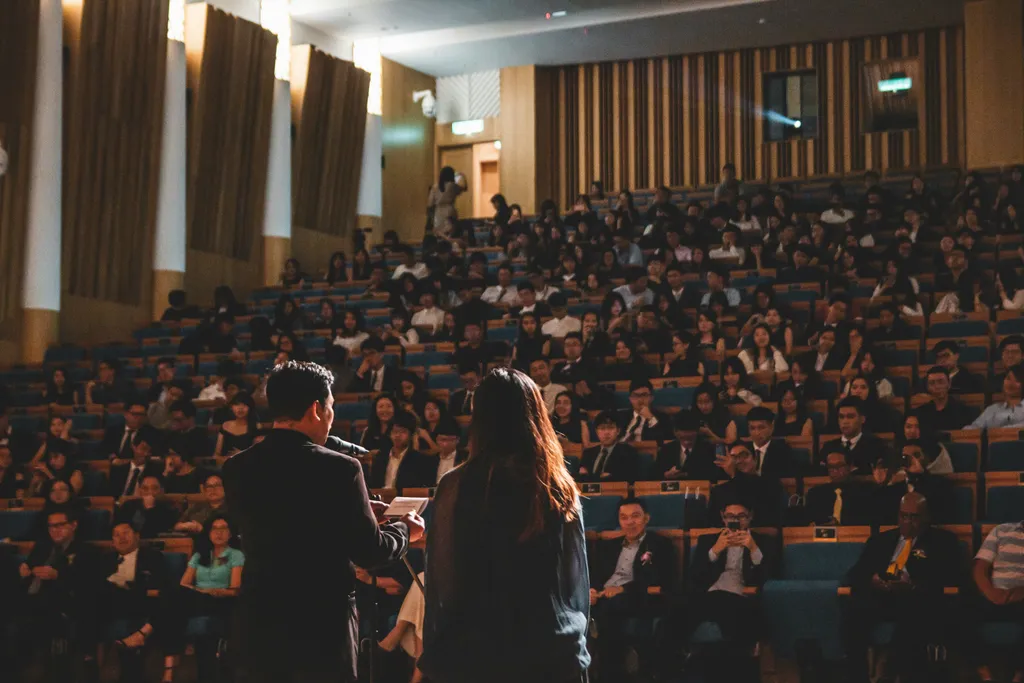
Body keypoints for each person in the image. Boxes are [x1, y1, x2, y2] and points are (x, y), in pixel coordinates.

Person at [222, 361, 423, 683]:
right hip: (322, 622)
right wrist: (404, 530)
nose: (331, 416)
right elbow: (370, 551)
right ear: (316, 409)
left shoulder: (236, 467)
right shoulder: (341, 468)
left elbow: (271, 525)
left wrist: (351, 510)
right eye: (330, 406)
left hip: (259, 618)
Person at [420, 367, 591, 683]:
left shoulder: (454, 484)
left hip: (476, 645)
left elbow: (443, 579)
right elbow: (573, 577)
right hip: (549, 643)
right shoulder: (557, 484)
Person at [842, 492, 963, 683]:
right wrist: (872, 579)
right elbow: (856, 573)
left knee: (914, 612)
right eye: (903, 516)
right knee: (852, 612)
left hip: (916, 598)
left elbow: (950, 577)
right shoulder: (880, 540)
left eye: (914, 517)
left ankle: (892, 672)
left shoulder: (943, 541)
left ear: (926, 517)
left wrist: (913, 586)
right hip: (881, 596)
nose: (907, 522)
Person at [670, 497, 773, 682]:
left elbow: (770, 578)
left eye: (741, 516)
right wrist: (715, 551)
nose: (735, 521)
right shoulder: (708, 541)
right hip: (708, 598)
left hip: (741, 599)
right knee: (672, 617)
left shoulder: (763, 542)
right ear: (722, 517)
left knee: (734, 619)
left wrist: (753, 549)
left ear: (750, 516)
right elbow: (693, 577)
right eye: (730, 516)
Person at [590, 497, 675, 682]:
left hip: (637, 596)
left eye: (635, 516)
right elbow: (597, 575)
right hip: (605, 596)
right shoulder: (608, 546)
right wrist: (592, 590)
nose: (629, 522)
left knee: (611, 608)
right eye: (624, 517)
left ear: (646, 518)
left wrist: (622, 589)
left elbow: (658, 579)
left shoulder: (660, 545)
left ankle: (609, 674)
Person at [8, 509, 101, 677]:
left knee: (46, 617)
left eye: (60, 525)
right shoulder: (42, 547)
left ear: (73, 525)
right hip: (31, 601)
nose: (54, 530)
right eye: (51, 526)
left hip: (63, 604)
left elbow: (87, 586)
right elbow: (27, 575)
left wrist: (58, 575)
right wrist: (23, 573)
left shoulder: (86, 550)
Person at [163, 514, 245, 682]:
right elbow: (184, 583)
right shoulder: (199, 555)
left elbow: (234, 589)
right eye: (214, 529)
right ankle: (170, 664)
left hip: (221, 599)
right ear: (208, 533)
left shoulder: (236, 555)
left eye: (223, 529)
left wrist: (211, 591)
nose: (218, 533)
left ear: (230, 533)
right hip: (198, 597)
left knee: (173, 606)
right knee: (171, 594)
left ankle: (170, 665)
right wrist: (200, 591)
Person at [94, 520, 169, 680]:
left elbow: (159, 590)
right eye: (116, 535)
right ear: (112, 541)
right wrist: (139, 592)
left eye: (126, 533)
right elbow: (99, 591)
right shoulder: (105, 560)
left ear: (137, 536)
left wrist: (127, 592)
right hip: (111, 609)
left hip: (142, 610)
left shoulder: (153, 557)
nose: (122, 538)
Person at [970, 518, 1024, 682]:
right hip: (994, 595)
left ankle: (1019, 675)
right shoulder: (1001, 530)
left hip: (1021, 598)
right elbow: (980, 568)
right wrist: (991, 592)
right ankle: (984, 672)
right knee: (961, 607)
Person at [708, 442, 784, 527]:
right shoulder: (719, 491)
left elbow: (768, 520)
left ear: (755, 458)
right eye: (734, 458)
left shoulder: (771, 485)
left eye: (743, 455)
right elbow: (714, 524)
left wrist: (734, 475)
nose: (739, 461)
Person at [821, 397, 891, 475]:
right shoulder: (828, 448)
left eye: (850, 417)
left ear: (862, 419)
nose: (845, 421)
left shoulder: (876, 446)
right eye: (841, 417)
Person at [804, 447, 873, 526]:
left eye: (839, 466)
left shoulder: (865, 492)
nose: (834, 471)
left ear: (850, 467)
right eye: (830, 467)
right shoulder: (815, 494)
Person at [369, 411, 438, 489]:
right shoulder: (380, 457)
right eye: (395, 431)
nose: (397, 435)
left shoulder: (420, 460)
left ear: (411, 435)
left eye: (403, 432)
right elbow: (373, 486)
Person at [655, 412, 718, 480]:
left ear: (697, 431)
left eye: (690, 438)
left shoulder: (708, 449)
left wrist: (685, 475)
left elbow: (712, 475)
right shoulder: (666, 450)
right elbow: (655, 474)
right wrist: (666, 475)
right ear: (675, 432)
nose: (687, 442)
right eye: (682, 438)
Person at [580, 411, 641, 482]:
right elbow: (580, 478)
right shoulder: (588, 453)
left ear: (618, 431)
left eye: (611, 428)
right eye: (602, 428)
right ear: (596, 432)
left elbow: (628, 478)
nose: (606, 432)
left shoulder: (628, 452)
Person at [916, 365, 977, 432]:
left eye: (941, 382)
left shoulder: (964, 412)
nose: (937, 386)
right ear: (927, 387)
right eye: (932, 383)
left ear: (949, 384)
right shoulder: (920, 414)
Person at [108, 426, 164, 499]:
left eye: (149, 451)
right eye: (143, 449)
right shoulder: (118, 469)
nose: (146, 454)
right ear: (134, 447)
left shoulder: (154, 472)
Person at [745, 407, 798, 478]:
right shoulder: (743, 450)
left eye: (761, 428)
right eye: (752, 428)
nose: (757, 433)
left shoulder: (783, 451)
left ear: (772, 427)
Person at [968, 363, 1024, 429]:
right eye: (1008, 378)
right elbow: (973, 428)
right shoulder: (992, 409)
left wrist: (1000, 431)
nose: (1011, 383)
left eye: (1017, 381)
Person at [617, 378, 672, 443]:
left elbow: (664, 440)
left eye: (644, 395)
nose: (640, 400)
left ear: (651, 398)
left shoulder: (663, 418)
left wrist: (650, 418)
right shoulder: (620, 417)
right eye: (635, 395)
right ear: (630, 399)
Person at [428, 166, 464, 234]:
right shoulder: (452, 186)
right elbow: (464, 187)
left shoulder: (435, 187)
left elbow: (430, 203)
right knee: (451, 232)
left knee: (440, 233)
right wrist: (461, 176)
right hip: (450, 210)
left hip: (438, 213)